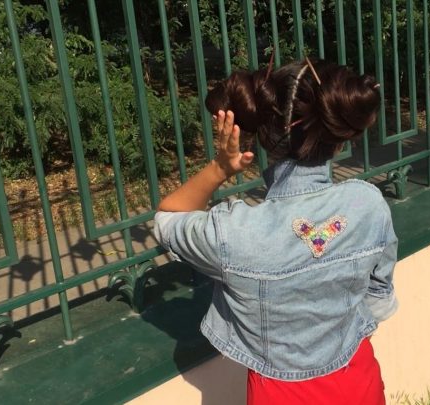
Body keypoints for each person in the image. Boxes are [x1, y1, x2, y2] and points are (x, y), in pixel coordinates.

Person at [154, 58, 398, 405]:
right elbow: (378, 299)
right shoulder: (368, 204)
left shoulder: (235, 233)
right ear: (338, 137)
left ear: (266, 138)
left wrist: (220, 168)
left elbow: (165, 219)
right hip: (357, 382)